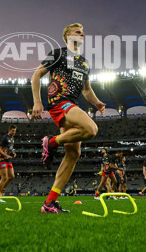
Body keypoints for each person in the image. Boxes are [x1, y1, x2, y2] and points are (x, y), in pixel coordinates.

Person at [32, 23, 105, 214]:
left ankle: (49, 203)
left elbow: (87, 90)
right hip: (59, 102)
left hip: (72, 106)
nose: (82, 33)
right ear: (67, 36)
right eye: (77, 31)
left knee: (73, 154)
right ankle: (51, 142)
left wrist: (97, 103)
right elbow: (36, 75)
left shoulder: (84, 62)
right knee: (91, 129)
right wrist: (37, 102)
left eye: (82, 32)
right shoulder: (58, 53)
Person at [0, 125, 17, 202]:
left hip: (8, 160)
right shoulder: (4, 138)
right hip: (2, 160)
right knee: (4, 178)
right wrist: (5, 155)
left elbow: (9, 148)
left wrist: (13, 152)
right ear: (9, 130)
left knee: (11, 176)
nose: (14, 132)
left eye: (15, 131)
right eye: (13, 130)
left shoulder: (12, 138)